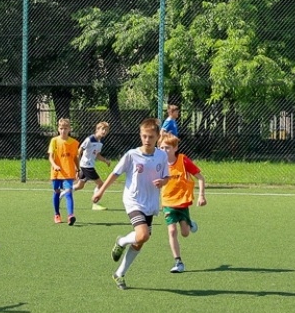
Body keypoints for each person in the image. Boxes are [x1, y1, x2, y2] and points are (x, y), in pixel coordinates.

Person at [91, 117, 169, 290]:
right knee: (142, 235)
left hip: (150, 203)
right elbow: (115, 173)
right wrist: (101, 190)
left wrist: (163, 182)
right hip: (133, 200)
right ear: (140, 136)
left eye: (150, 137)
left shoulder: (162, 156)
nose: (147, 140)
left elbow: (166, 176)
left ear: (157, 137)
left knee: (140, 241)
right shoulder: (132, 155)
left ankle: (119, 274)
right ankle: (121, 241)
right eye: (144, 136)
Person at [159, 133, 206, 274]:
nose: (164, 151)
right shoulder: (158, 163)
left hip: (182, 202)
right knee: (172, 230)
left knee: (185, 233)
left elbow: (200, 178)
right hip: (167, 202)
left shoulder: (183, 160)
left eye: (167, 148)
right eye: (161, 148)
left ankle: (189, 223)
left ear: (175, 148)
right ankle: (178, 262)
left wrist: (201, 196)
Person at [48, 117, 80, 225]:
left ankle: (71, 216)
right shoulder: (54, 141)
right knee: (56, 192)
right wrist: (55, 165)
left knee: (68, 193)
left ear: (69, 129)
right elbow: (51, 157)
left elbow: (75, 157)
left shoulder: (74, 143)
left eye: (66, 128)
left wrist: (78, 169)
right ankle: (57, 214)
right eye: (61, 128)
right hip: (56, 172)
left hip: (68, 172)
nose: (63, 130)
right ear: (58, 129)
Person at [76, 121, 110, 210]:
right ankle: (95, 203)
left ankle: (62, 193)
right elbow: (79, 151)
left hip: (87, 166)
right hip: (87, 166)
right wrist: (78, 166)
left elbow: (97, 155)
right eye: (103, 129)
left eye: (106, 130)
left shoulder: (99, 142)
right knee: (101, 184)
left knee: (79, 186)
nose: (104, 132)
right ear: (97, 129)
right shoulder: (90, 139)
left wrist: (105, 161)